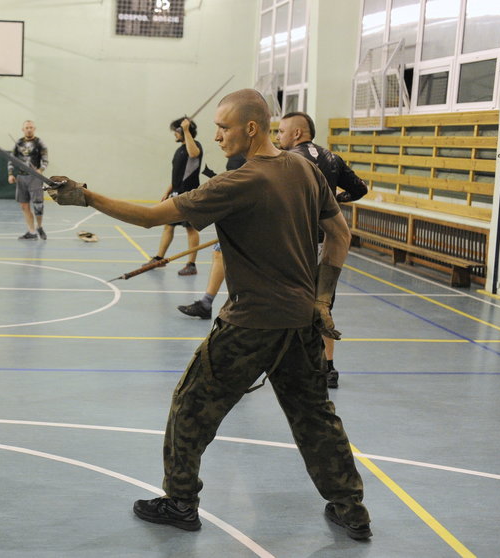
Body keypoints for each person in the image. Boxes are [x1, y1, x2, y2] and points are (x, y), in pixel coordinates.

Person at [47, 89, 371, 541]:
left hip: (251, 324)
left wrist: (85, 197)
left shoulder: (237, 183)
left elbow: (148, 217)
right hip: (301, 323)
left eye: (224, 127)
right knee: (315, 417)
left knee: (190, 407)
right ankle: (352, 509)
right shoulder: (305, 170)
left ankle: (180, 503)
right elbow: (339, 233)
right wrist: (321, 299)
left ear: (250, 128)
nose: (216, 135)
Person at [277, 111, 369, 389]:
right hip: (328, 245)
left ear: (296, 133)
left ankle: (275, 363)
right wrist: (337, 199)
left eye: (281, 131)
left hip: (298, 244)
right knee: (323, 305)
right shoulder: (333, 158)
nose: (277, 137)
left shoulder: (288, 161)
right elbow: (360, 189)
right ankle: (328, 368)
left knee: (284, 302)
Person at [177, 154, 246, 319]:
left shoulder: (251, 170)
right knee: (219, 253)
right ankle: (206, 304)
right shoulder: (238, 166)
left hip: (248, 225)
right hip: (236, 224)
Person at [148, 118, 204, 276]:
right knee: (168, 226)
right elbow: (178, 175)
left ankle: (191, 265)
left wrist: (186, 130)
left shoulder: (195, 145)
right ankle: (158, 259)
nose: (175, 133)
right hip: (176, 193)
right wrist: (168, 190)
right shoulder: (179, 150)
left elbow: (194, 154)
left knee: (190, 228)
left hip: (190, 195)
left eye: (177, 131)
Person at [8, 120, 49, 240]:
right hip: (21, 177)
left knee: (38, 205)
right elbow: (11, 159)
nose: (29, 129)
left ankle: (39, 227)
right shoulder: (18, 143)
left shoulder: (39, 142)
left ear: (34, 128)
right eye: (26, 127)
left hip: (35, 178)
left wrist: (40, 170)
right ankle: (31, 232)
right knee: (24, 205)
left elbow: (45, 159)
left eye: (31, 127)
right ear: (23, 129)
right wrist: (10, 173)